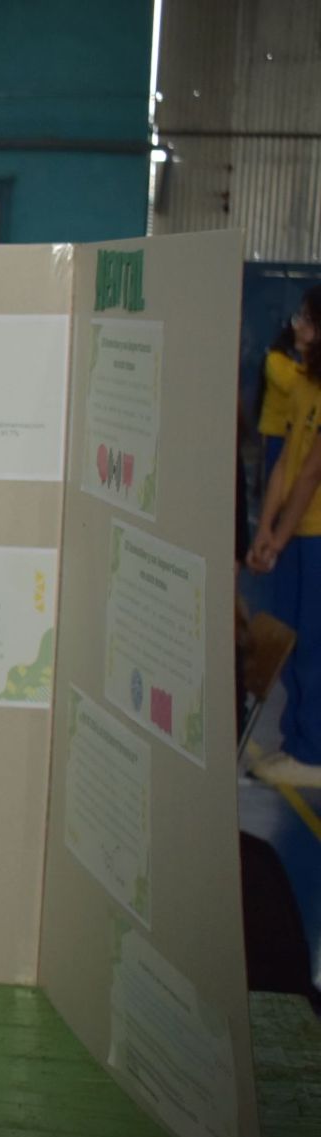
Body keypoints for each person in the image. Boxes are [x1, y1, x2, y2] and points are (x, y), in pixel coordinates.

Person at [247, 286, 321, 784]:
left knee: (314, 639)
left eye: (308, 320)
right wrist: (267, 529)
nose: (298, 326)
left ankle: (314, 753)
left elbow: (311, 474)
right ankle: (297, 741)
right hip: (296, 533)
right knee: (292, 635)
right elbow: (282, 468)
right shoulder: (302, 386)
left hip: (315, 534)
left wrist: (281, 534)